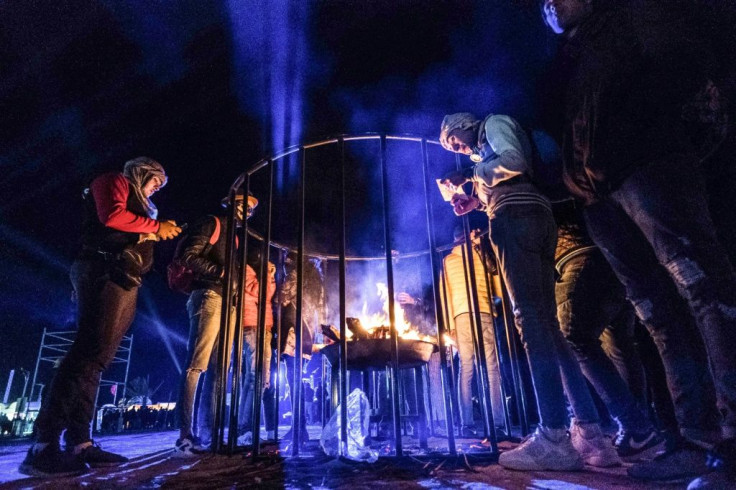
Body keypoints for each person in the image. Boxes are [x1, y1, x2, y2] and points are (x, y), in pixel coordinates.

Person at [541, 0, 736, 484]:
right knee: (657, 313)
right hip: (601, 197)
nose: (547, 3)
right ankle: (695, 440)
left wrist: (648, 140)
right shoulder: (581, 54)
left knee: (704, 290)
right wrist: (579, 183)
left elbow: (690, 71)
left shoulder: (636, 16)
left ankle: (729, 443)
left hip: (647, 167)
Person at [439, 112, 610, 470]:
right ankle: (591, 432)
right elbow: (511, 172)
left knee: (531, 324)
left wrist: (469, 176)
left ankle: (553, 436)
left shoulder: (493, 125)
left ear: (463, 125)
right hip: (530, 213)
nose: (453, 147)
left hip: (516, 218)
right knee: (549, 327)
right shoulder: (485, 147)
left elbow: (515, 161)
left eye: (451, 139)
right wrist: (475, 202)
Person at [21, 157, 181, 476]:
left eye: (161, 186)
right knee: (85, 354)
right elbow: (111, 216)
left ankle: (80, 442)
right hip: (102, 270)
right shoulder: (112, 180)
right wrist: (154, 227)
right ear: (141, 172)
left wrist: (150, 232)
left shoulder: (146, 208)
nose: (156, 188)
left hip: (124, 279)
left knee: (98, 360)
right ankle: (43, 445)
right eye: (155, 181)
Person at [553, 199, 666, 461]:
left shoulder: (541, 179)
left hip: (578, 259)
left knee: (575, 339)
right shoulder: (574, 180)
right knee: (621, 345)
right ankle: (639, 432)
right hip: (612, 256)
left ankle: (636, 426)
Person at [173, 190, 257, 457]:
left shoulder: (232, 236)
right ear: (231, 203)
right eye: (243, 205)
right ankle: (184, 435)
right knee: (196, 364)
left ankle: (209, 433)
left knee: (221, 368)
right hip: (209, 296)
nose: (247, 212)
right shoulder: (213, 223)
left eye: (251, 209)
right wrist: (219, 272)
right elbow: (189, 255)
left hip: (228, 302)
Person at [439, 227, 505, 440]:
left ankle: (466, 424)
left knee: (466, 369)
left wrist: (449, 324)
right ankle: (498, 423)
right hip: (484, 310)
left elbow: (444, 293)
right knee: (492, 369)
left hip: (460, 315)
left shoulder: (448, 260)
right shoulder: (482, 254)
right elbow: (498, 287)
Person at [237, 242, 276, 444]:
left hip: (260, 327)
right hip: (253, 326)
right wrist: (268, 274)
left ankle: (244, 429)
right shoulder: (245, 269)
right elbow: (262, 292)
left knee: (253, 379)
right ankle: (246, 430)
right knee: (256, 378)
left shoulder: (253, 271)